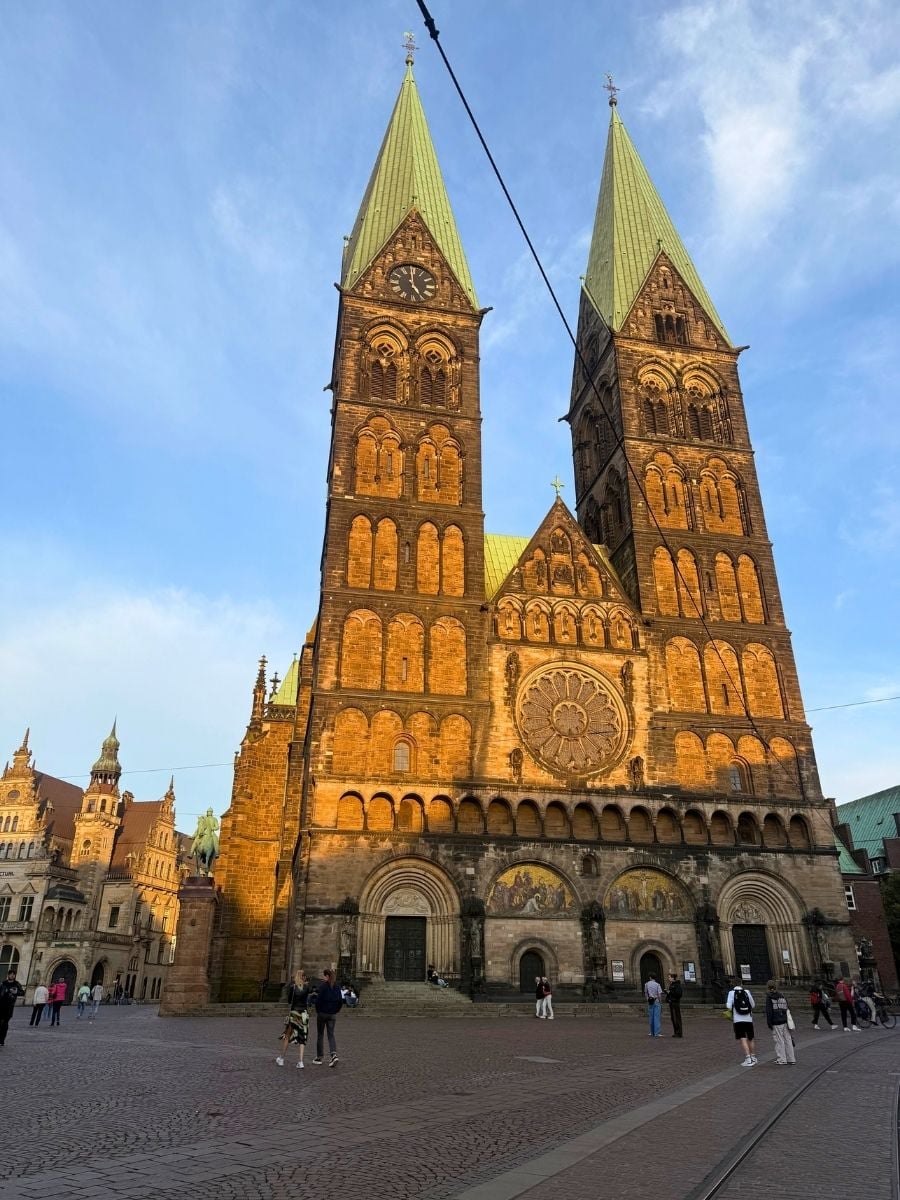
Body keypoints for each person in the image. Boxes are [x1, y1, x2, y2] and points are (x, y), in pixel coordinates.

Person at [276, 970, 310, 1069]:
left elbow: (289, 1000)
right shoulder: (307, 987)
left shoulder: (293, 987)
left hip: (294, 1014)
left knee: (287, 1036)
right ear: (304, 977)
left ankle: (281, 1058)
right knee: (302, 1038)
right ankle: (301, 1061)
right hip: (304, 1014)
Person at [311, 968, 342, 1067]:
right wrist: (336, 1010)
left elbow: (318, 1001)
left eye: (324, 976)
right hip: (332, 1014)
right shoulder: (337, 987)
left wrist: (319, 1010)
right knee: (331, 1035)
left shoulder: (323, 987)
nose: (323, 978)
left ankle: (319, 1057)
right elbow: (340, 1001)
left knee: (320, 1035)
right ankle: (334, 1055)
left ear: (327, 976)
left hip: (323, 1013)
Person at [726, 980, 757, 1066]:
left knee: (743, 1038)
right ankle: (753, 1057)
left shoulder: (731, 993)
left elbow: (728, 1006)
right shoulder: (747, 992)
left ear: (733, 984)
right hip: (748, 1019)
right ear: (741, 984)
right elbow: (753, 1005)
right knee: (750, 1038)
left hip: (738, 1019)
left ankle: (748, 1059)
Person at [765, 980, 796, 1065]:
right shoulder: (782, 995)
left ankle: (782, 1059)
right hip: (785, 1020)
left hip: (776, 1021)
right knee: (788, 1039)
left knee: (779, 1040)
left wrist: (769, 1023)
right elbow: (787, 1007)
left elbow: (769, 1011)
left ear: (768, 987)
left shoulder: (769, 997)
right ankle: (791, 1058)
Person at [0, 970, 26, 1047]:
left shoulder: (17, 984)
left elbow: (22, 993)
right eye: (10, 974)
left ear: (15, 976)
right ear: (8, 975)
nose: (12, 975)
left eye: (13, 974)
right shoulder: (3, 983)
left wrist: (16, 992)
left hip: (9, 1006)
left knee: (5, 1023)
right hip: (1, 1005)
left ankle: (2, 1040)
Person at [666, 971, 684, 1038]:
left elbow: (679, 994)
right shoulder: (672, 984)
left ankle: (679, 1033)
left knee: (676, 1018)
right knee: (673, 1018)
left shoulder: (677, 985)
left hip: (675, 1003)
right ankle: (676, 1032)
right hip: (672, 1002)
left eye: (669, 977)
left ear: (673, 978)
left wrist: (670, 992)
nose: (668, 978)